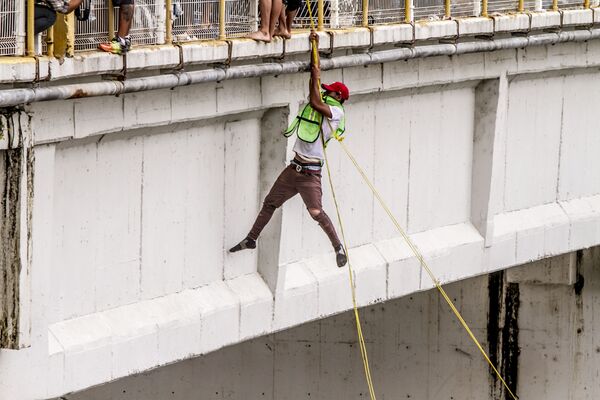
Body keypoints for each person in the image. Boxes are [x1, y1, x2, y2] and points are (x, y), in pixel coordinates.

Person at [230, 31, 350, 268]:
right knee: (270, 203)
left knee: (316, 212)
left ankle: (338, 246)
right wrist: (314, 58)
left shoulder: (336, 112)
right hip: (293, 170)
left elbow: (315, 100)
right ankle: (251, 239)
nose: (326, 91)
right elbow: (315, 93)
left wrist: (314, 73)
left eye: (330, 91)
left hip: (310, 174)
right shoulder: (325, 105)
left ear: (338, 96)